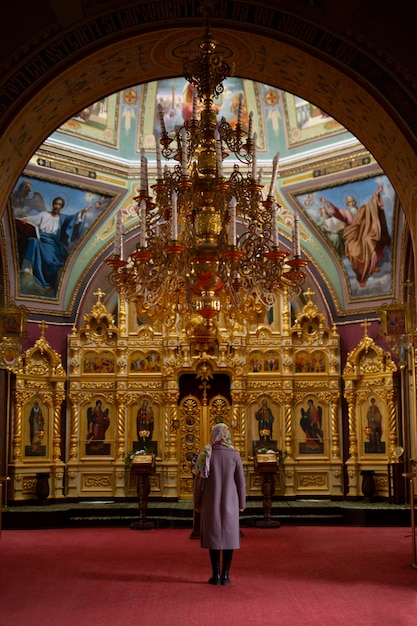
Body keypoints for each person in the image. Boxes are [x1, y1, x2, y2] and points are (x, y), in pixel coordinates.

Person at [193, 423, 246, 586]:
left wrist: (197, 502)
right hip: (231, 501)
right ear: (227, 434)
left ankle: (215, 575)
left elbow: (199, 482)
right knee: (229, 538)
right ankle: (226, 575)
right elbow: (240, 482)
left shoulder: (206, 453)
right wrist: (242, 503)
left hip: (211, 501)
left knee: (213, 537)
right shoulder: (234, 454)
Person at [319, 185, 391, 287]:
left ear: (355, 202)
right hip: (352, 237)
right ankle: (361, 276)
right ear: (347, 204)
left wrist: (377, 194)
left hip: (364, 233)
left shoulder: (362, 210)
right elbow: (337, 212)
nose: (351, 203)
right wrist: (326, 202)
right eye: (349, 202)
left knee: (370, 240)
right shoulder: (347, 213)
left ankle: (373, 265)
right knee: (353, 252)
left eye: (352, 201)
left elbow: (372, 206)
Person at [19, 196, 90, 291]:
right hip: (40, 237)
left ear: (61, 207)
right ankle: (27, 268)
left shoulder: (63, 218)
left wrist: (82, 212)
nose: (57, 206)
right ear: (53, 205)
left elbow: (72, 219)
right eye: (56, 204)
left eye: (59, 205)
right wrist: (25, 219)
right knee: (32, 241)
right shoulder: (44, 214)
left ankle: (47, 282)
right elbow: (33, 218)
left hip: (52, 242)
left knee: (51, 261)